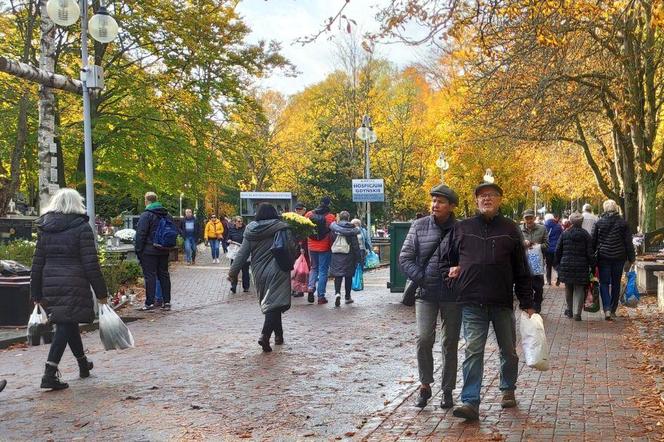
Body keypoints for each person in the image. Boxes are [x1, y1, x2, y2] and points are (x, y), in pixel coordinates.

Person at [449, 181, 534, 421]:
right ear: (476, 201)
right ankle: (470, 401)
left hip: (501, 301)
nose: (487, 199)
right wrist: (452, 273)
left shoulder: (509, 229)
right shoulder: (463, 228)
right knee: (473, 351)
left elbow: (521, 268)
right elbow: (448, 259)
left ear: (500, 200)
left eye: (492, 195)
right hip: (472, 301)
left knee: (508, 350)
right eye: (482, 195)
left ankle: (508, 389)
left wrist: (527, 301)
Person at [30, 188, 109, 390]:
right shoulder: (81, 227)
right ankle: (49, 372)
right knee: (65, 324)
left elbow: (37, 263)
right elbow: (91, 264)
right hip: (74, 282)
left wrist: (36, 292)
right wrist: (101, 293)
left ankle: (83, 364)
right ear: (77, 203)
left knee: (68, 322)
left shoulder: (45, 227)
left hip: (50, 282)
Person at [399, 184, 460, 409]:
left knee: (450, 342)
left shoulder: (461, 229)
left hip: (453, 294)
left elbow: (468, 258)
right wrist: (423, 278)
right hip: (425, 292)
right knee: (424, 339)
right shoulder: (419, 226)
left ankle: (447, 389)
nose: (435, 205)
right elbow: (405, 258)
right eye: (433, 200)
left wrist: (460, 269)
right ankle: (425, 384)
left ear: (451, 206)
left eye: (441, 201)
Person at [228, 203, 295, 352]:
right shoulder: (282, 227)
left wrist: (232, 272)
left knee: (273, 302)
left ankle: (279, 336)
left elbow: (242, 254)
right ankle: (265, 336)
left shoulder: (250, 230)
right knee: (273, 304)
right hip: (279, 269)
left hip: (259, 272)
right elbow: (291, 247)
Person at [592, 199, 635, 320]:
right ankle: (613, 308)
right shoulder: (623, 223)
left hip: (604, 257)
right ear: (616, 208)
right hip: (619, 257)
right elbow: (628, 242)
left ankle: (606, 308)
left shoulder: (599, 223)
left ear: (605, 209)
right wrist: (631, 258)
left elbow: (593, 241)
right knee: (616, 283)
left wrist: (591, 257)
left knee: (604, 283)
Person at [135, 191, 173, 311]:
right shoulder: (166, 214)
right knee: (164, 275)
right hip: (164, 249)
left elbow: (141, 234)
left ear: (146, 200)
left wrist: (138, 250)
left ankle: (149, 303)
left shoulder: (146, 215)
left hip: (149, 250)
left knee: (150, 276)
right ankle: (166, 302)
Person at [554, 212, 594, 321]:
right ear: (582, 222)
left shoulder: (565, 234)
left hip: (566, 265)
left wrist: (557, 264)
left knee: (568, 287)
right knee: (580, 288)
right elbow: (590, 253)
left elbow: (558, 250)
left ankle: (570, 310)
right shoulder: (586, 235)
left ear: (571, 221)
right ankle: (578, 313)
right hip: (581, 265)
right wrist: (593, 265)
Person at [305, 196, 336, 304]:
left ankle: (310, 288)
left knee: (314, 268)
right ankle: (321, 296)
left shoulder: (309, 214)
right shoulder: (331, 217)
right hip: (325, 246)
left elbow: (304, 228)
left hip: (311, 245)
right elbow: (334, 231)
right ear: (328, 204)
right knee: (323, 271)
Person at [329, 211, 362, 307]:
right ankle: (347, 297)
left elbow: (331, 240)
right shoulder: (352, 229)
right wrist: (359, 258)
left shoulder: (334, 228)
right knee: (348, 276)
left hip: (336, 255)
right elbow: (355, 245)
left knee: (338, 276)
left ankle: (337, 293)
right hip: (349, 255)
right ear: (348, 218)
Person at [520, 209, 549, 313]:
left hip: (537, 264)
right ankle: (529, 306)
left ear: (534, 218)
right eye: (526, 218)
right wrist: (523, 244)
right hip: (524, 264)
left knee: (538, 288)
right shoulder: (519, 230)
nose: (529, 220)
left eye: (530, 218)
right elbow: (515, 245)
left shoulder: (542, 229)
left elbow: (547, 244)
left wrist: (538, 246)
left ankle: (537, 305)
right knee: (526, 287)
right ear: (523, 219)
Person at [228, 216, 250, 294]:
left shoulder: (246, 229)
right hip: (235, 252)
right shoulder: (231, 230)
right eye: (238, 221)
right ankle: (233, 286)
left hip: (244, 252)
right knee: (234, 269)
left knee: (245, 270)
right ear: (234, 222)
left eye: (241, 221)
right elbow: (228, 238)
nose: (240, 222)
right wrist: (229, 240)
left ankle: (246, 287)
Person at [543, 213, 563, 286]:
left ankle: (548, 281)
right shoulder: (558, 226)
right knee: (556, 264)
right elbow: (562, 236)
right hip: (557, 248)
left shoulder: (545, 226)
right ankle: (559, 276)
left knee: (548, 265)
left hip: (548, 249)